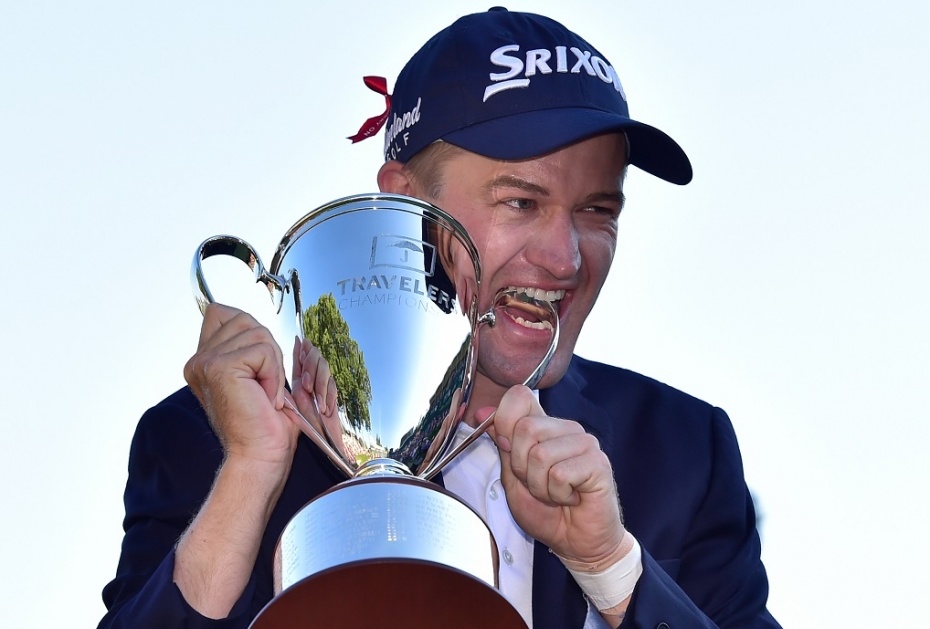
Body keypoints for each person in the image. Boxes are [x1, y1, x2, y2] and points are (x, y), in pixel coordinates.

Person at [98, 8, 779, 628]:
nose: (566, 257)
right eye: (521, 202)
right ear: (406, 204)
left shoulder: (683, 451)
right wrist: (248, 476)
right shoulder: (211, 442)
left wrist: (611, 566)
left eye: (597, 210)